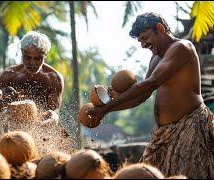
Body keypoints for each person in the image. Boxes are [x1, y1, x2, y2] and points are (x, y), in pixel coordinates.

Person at [87, 12, 214, 178]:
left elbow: (150, 83)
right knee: (149, 174)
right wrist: (106, 109)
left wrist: (106, 109)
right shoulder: (155, 59)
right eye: (140, 40)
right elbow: (141, 95)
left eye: (144, 37)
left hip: (189, 127)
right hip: (162, 134)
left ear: (160, 28)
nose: (143, 45)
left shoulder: (182, 47)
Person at [0, 31, 64, 125]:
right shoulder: (9, 75)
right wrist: (4, 99)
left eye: (37, 58)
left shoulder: (54, 78)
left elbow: (54, 111)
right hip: (14, 127)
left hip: (41, 128)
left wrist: (53, 117)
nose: (32, 63)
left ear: (45, 56)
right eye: (27, 58)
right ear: (22, 53)